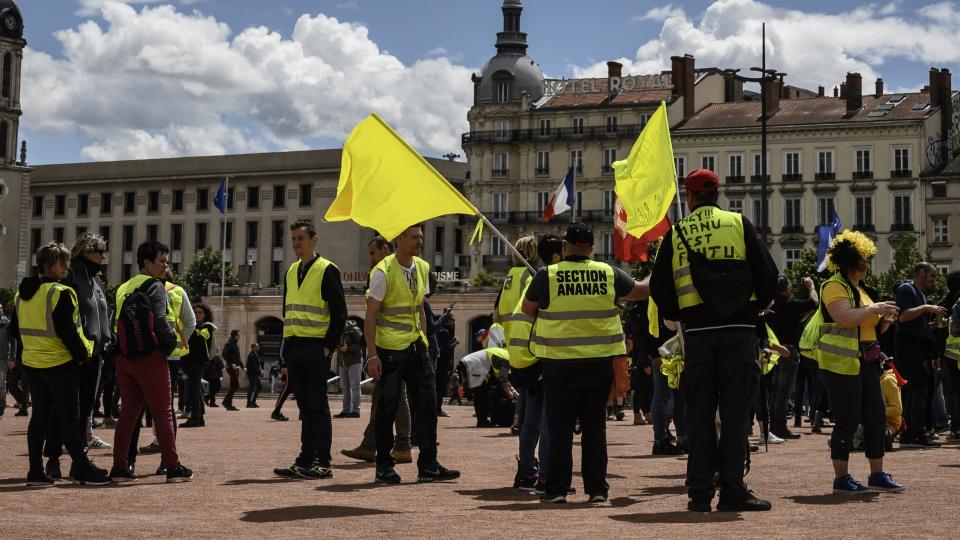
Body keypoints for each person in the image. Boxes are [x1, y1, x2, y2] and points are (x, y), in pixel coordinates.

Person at [649, 168, 778, 512]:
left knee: (700, 415)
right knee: (736, 415)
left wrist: (681, 314)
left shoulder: (677, 233)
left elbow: (660, 287)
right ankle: (734, 489)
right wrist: (753, 311)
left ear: (689, 197)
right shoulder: (739, 224)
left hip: (698, 334)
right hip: (739, 332)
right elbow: (768, 274)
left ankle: (700, 493)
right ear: (717, 193)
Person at [522, 223, 650, 503]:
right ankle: (596, 490)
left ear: (565, 247)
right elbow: (641, 291)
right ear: (591, 248)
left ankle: (556, 490)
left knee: (560, 428)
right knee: (594, 427)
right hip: (598, 363)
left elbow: (528, 309)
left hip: (559, 363)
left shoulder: (547, 275)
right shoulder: (608, 273)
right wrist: (658, 267)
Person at [9, 242, 112, 486]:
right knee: (70, 417)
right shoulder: (59, 292)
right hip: (60, 363)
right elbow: (69, 332)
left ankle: (36, 471)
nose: (66, 267)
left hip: (34, 364)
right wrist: (83, 353)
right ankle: (81, 467)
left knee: (40, 418)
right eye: (62, 262)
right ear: (49, 265)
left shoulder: (22, 294)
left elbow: (15, 328)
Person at [365, 224, 460, 485]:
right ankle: (384, 466)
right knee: (388, 408)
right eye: (414, 237)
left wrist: (426, 342)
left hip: (417, 346)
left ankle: (428, 463)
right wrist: (372, 355)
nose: (420, 241)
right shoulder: (382, 272)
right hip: (390, 351)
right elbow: (371, 315)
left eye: (420, 236)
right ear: (399, 239)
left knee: (428, 406)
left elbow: (419, 306)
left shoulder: (422, 267)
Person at [814, 230, 904, 493]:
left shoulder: (862, 289)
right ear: (852, 260)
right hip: (841, 363)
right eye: (864, 259)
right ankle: (841, 479)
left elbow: (874, 328)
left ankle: (877, 474)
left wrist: (886, 318)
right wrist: (875, 309)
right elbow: (844, 318)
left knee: (876, 417)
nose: (867, 264)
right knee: (847, 419)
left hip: (865, 361)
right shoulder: (834, 285)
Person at [109, 241, 193, 483]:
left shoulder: (124, 287)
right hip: (149, 356)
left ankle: (120, 467)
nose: (166, 265)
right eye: (161, 260)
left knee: (128, 413)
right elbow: (160, 320)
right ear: (146, 262)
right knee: (163, 411)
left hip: (124, 356)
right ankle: (173, 466)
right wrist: (166, 348)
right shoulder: (155, 286)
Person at [273, 220, 347, 480]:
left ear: (314, 240)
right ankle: (305, 459)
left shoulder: (327, 270)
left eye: (300, 239)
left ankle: (323, 462)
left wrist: (327, 348)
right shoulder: (292, 270)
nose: (296, 243)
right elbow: (287, 311)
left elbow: (340, 313)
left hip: (316, 347)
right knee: (305, 406)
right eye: (293, 239)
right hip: (295, 347)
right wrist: (285, 351)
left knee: (318, 404)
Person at [341, 235, 414, 464]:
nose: (370, 258)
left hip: (393, 345)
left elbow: (375, 314)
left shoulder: (387, 271)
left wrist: (371, 350)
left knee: (395, 395)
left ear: (386, 249)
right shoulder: (393, 269)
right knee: (380, 396)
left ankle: (401, 444)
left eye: (373, 253)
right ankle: (371, 444)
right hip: (392, 343)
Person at [509, 233, 562, 492]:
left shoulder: (527, 277)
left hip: (520, 354)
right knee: (547, 419)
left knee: (529, 420)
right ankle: (545, 477)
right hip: (539, 355)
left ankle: (526, 472)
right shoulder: (546, 279)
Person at [62, 233, 115, 450]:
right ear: (85, 251)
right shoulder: (70, 274)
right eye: (99, 252)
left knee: (89, 400)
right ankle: (67, 440)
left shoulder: (95, 279)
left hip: (97, 351)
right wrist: (78, 348)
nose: (103, 257)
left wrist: (109, 340)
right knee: (72, 401)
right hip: (77, 351)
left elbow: (102, 313)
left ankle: (84, 436)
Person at [895, 262, 947, 448]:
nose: (934, 280)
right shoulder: (906, 289)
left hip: (917, 346)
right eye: (932, 276)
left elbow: (918, 324)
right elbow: (902, 316)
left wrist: (932, 353)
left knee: (916, 388)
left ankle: (909, 432)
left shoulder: (921, 294)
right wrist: (926, 308)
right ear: (921, 273)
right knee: (918, 387)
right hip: (907, 345)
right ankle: (916, 432)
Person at [767, 276, 818, 440]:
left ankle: (773, 425)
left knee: (775, 389)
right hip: (788, 351)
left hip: (774, 350)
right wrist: (811, 287)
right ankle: (780, 426)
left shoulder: (771, 305)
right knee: (785, 390)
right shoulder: (790, 304)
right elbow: (814, 302)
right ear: (786, 288)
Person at [181, 303, 216, 427]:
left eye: (200, 312)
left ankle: (196, 417)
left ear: (205, 314)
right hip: (190, 361)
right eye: (195, 312)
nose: (197, 314)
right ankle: (199, 417)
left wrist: (188, 329)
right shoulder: (194, 326)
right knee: (195, 389)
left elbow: (201, 337)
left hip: (198, 362)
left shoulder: (207, 327)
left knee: (193, 389)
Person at [334, 320, 363, 418]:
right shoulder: (337, 332)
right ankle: (346, 410)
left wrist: (348, 348)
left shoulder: (354, 330)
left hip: (354, 362)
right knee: (345, 388)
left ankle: (356, 410)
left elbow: (361, 345)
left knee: (355, 386)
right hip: (342, 363)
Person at [944, 280, 960, 440]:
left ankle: (956, 426)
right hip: (956, 355)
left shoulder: (956, 304)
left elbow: (954, 329)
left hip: (953, 355)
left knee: (954, 392)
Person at [434, 313, 460, 416]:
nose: (453, 322)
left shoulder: (437, 331)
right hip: (441, 365)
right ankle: (437, 409)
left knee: (436, 387)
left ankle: (435, 408)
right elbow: (446, 351)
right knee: (440, 387)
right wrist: (454, 344)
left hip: (436, 363)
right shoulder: (444, 332)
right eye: (452, 319)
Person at [221, 330, 243, 411]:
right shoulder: (229, 343)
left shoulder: (235, 344)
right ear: (235, 336)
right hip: (231, 367)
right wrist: (231, 363)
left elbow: (238, 358)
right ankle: (225, 402)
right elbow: (224, 354)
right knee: (236, 385)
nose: (239, 336)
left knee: (232, 386)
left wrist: (243, 366)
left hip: (235, 367)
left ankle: (229, 405)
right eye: (238, 335)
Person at [246, 343, 263, 408]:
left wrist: (260, 371)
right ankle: (248, 403)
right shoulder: (252, 355)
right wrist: (259, 372)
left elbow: (257, 365)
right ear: (253, 347)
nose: (258, 348)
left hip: (255, 374)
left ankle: (253, 401)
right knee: (251, 388)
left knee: (259, 387)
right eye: (257, 347)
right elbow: (254, 366)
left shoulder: (255, 354)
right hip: (252, 374)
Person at [0, 303, 10, 419]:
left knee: (1, 386)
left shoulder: (6, 323)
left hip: (2, 358)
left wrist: (11, 357)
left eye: (0, 308)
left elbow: (13, 341)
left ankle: (1, 410)